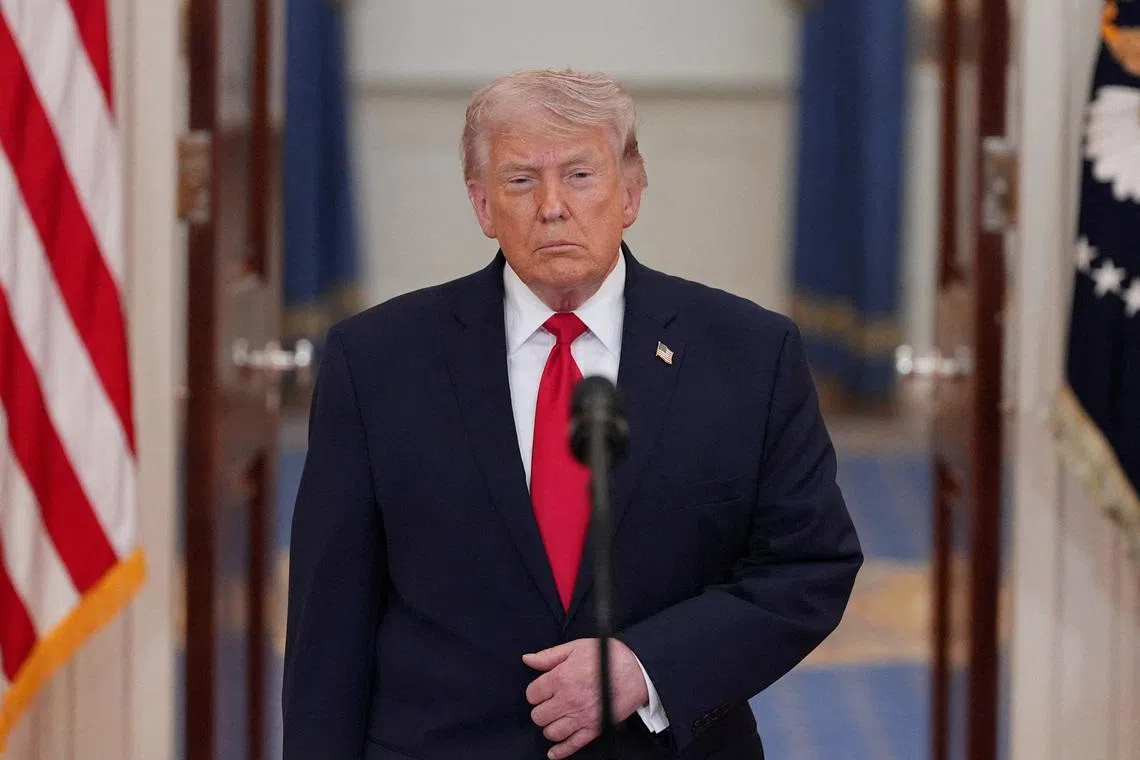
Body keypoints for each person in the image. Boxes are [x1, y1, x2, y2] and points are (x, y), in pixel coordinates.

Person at [282, 68, 862, 760]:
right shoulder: (376, 362)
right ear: (482, 205)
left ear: (631, 193)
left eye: (581, 175)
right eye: (521, 180)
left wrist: (646, 668)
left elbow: (809, 566)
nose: (552, 206)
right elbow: (329, 626)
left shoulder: (749, 355)